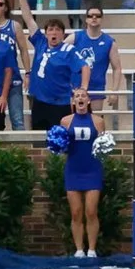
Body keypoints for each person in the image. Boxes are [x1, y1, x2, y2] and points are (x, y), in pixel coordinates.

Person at [53, 89, 102, 259]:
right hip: (73, 169)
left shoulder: (98, 121)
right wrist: (57, 146)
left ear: (88, 101)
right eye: (77, 96)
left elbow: (102, 145)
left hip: (92, 169)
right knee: (76, 212)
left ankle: (92, 250)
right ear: (73, 102)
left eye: (83, 96)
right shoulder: (65, 121)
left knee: (91, 211)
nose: (80, 98)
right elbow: (61, 145)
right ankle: (79, 249)